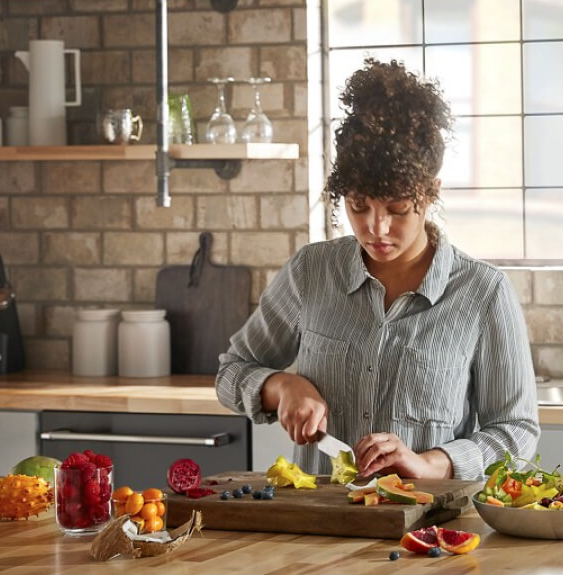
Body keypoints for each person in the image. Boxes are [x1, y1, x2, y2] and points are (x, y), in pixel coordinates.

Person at [217, 59, 538, 480]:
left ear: (431, 192)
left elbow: (516, 433)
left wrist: (430, 462)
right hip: (318, 528)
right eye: (358, 205)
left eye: (398, 209)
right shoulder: (311, 272)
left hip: (427, 534)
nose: (376, 227)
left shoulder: (483, 293)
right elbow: (232, 371)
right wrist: (282, 387)